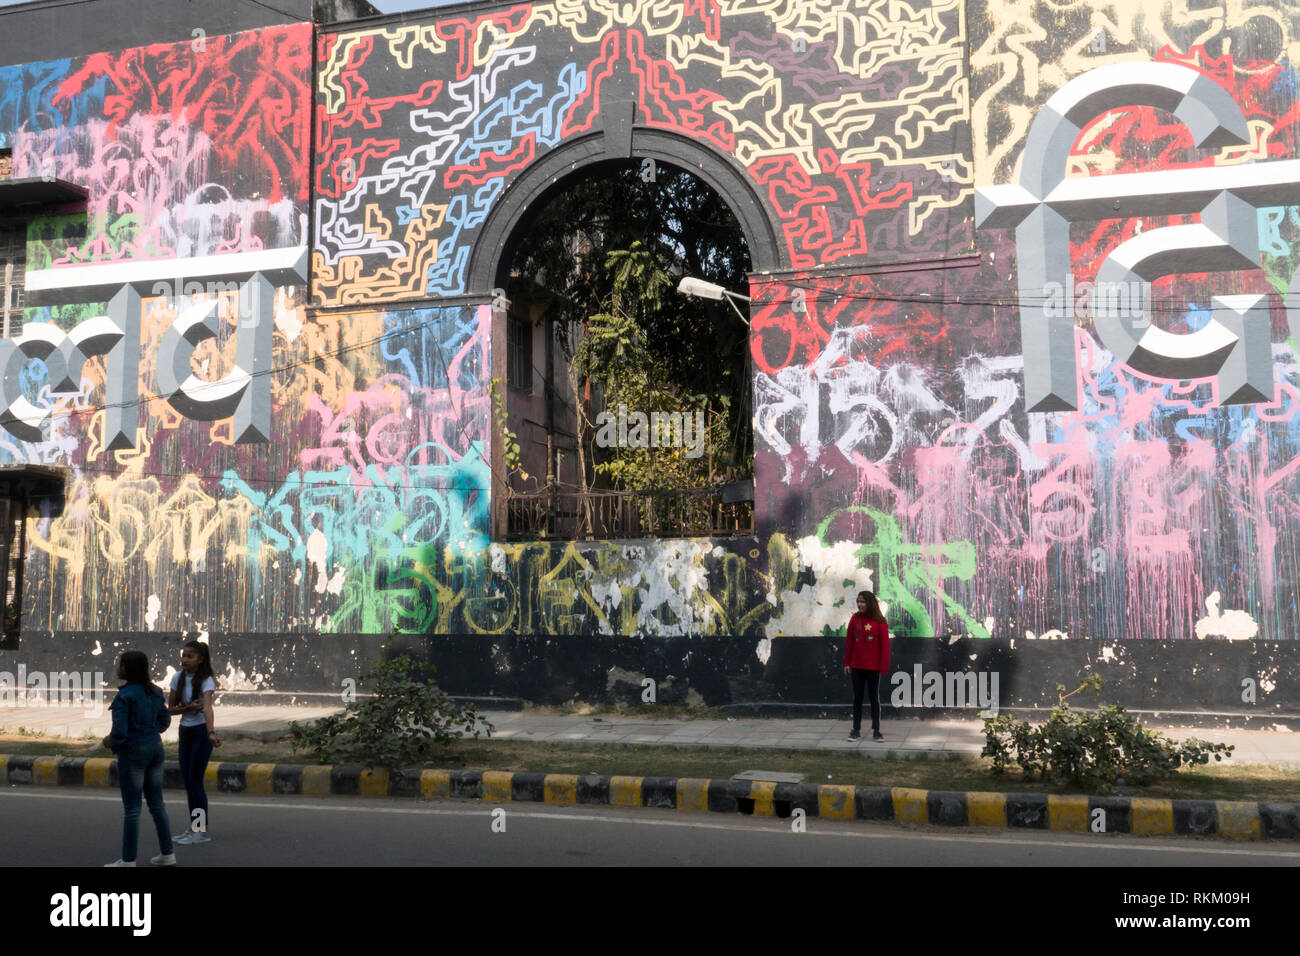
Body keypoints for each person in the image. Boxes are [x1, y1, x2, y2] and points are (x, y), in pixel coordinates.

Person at [103, 650, 175, 866]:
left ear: (127, 668)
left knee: (133, 808)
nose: (118, 667)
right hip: (155, 748)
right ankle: (167, 853)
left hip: (133, 752)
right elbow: (165, 720)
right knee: (157, 804)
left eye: (120, 664)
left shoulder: (124, 696)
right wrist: (150, 731)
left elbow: (119, 732)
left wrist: (109, 741)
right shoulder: (153, 691)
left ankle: (128, 860)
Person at [168, 640, 222, 845]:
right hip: (185, 732)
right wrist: (188, 708)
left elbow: (208, 708)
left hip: (201, 733)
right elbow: (170, 708)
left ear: (200, 659)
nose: (184, 660)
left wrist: (211, 732)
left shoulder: (206, 680)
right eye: (183, 655)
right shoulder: (177, 678)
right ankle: (194, 828)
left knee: (195, 782)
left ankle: (201, 830)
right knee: (189, 783)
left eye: (189, 656)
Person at [843, 590, 890, 742]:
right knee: (857, 698)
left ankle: (877, 731)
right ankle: (855, 730)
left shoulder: (880, 623)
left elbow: (885, 647)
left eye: (863, 602)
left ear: (870, 603)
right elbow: (849, 643)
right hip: (856, 666)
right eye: (858, 601)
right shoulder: (854, 619)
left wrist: (883, 667)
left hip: (873, 668)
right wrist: (846, 663)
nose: (860, 604)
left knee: (873, 698)